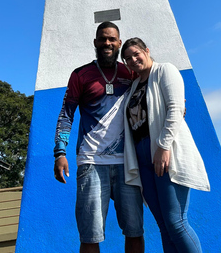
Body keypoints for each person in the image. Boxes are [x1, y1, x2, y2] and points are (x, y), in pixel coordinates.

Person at [53, 22, 145, 253]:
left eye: (112, 39)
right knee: (90, 235)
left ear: (119, 43)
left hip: (128, 163)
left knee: (135, 231)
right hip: (91, 162)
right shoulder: (80, 75)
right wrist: (60, 152)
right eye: (103, 39)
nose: (107, 43)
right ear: (95, 42)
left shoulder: (131, 72)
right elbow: (66, 114)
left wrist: (177, 102)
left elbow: (154, 90)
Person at [121, 38, 210, 253]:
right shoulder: (133, 86)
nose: (133, 60)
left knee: (176, 222)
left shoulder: (165, 71)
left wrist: (162, 146)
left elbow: (176, 108)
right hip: (142, 160)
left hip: (164, 154)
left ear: (147, 51)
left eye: (136, 54)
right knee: (163, 226)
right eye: (127, 59)